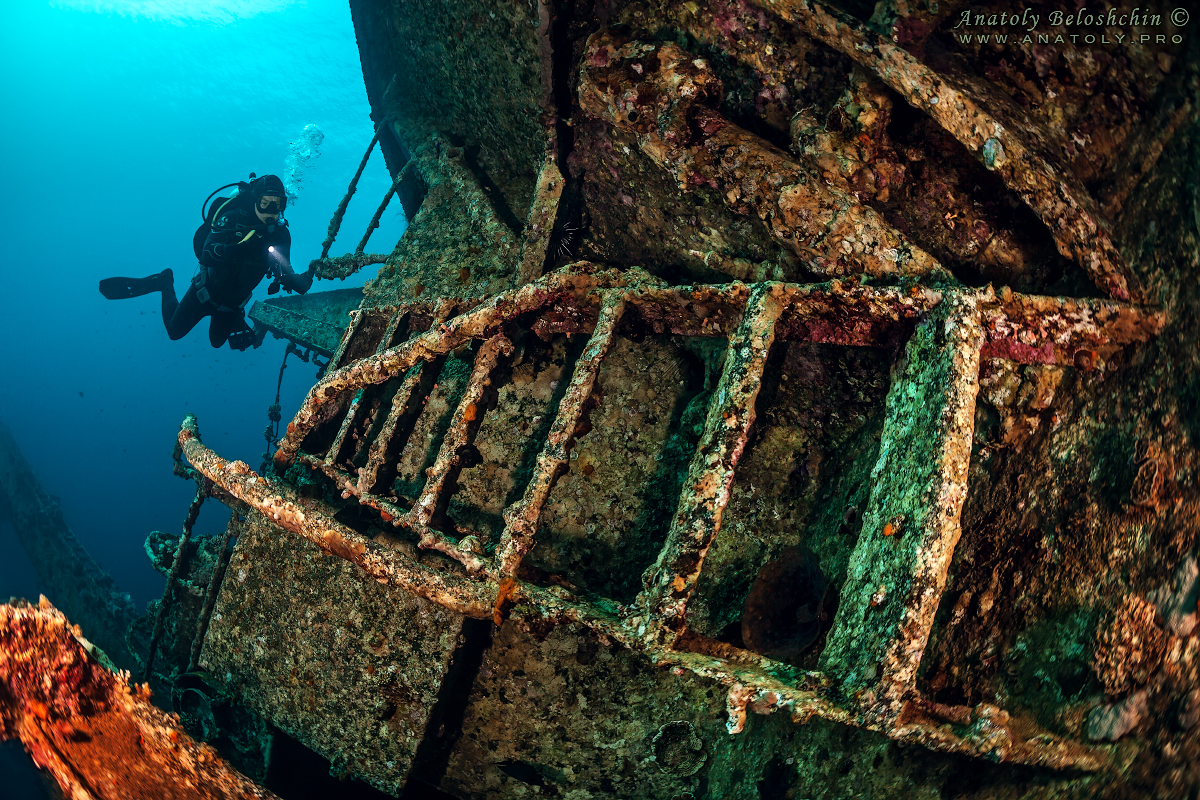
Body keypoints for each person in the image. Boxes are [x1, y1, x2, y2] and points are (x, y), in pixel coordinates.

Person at [99, 174, 316, 349]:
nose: (271, 212)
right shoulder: (233, 219)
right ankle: (164, 283)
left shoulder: (281, 236)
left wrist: (300, 279)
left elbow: (284, 269)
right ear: (254, 201)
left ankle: (236, 317)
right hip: (204, 292)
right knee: (174, 332)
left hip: (232, 305)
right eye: (265, 204)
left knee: (217, 342)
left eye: (277, 205)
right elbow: (207, 255)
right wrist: (236, 248)